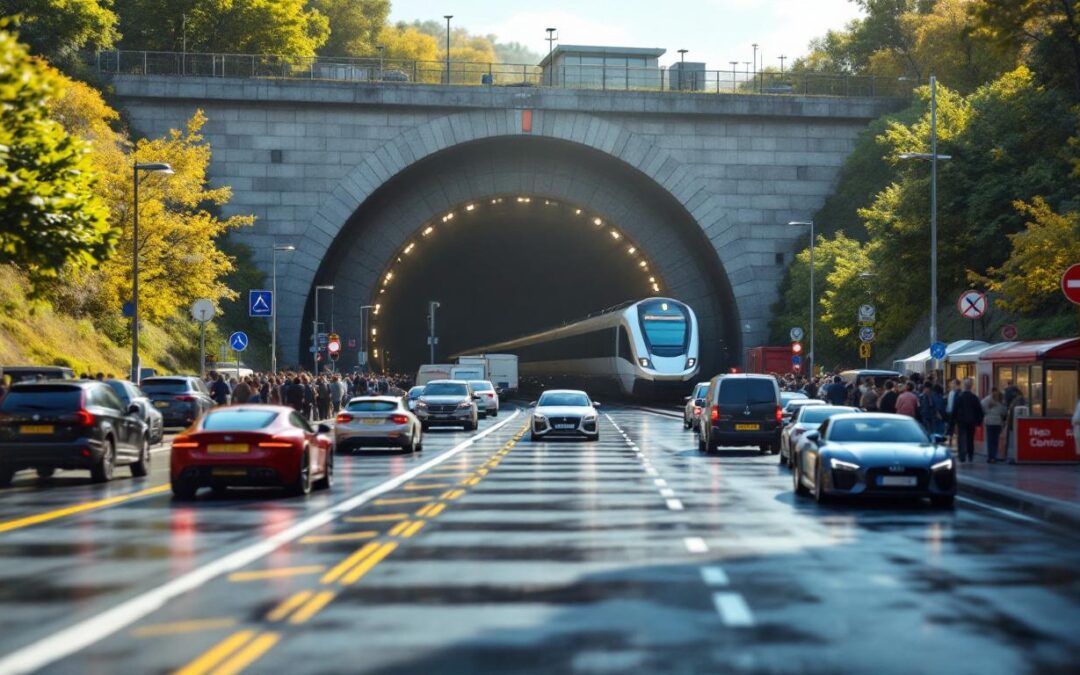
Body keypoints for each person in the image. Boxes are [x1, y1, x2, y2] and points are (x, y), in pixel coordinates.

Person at [951, 378, 984, 463]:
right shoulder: (974, 398)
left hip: (961, 421)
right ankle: (970, 454)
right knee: (970, 438)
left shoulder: (959, 397)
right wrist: (979, 421)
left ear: (964, 386)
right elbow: (979, 410)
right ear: (971, 386)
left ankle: (962, 455)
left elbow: (954, 410)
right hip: (971, 421)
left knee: (962, 437)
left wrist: (953, 421)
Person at [981, 388, 1007, 463]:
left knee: (991, 440)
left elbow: (982, 407)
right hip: (996, 422)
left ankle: (991, 456)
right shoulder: (1000, 401)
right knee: (994, 440)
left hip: (990, 421)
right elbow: (1004, 411)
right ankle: (993, 456)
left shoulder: (986, 400)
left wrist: (986, 412)